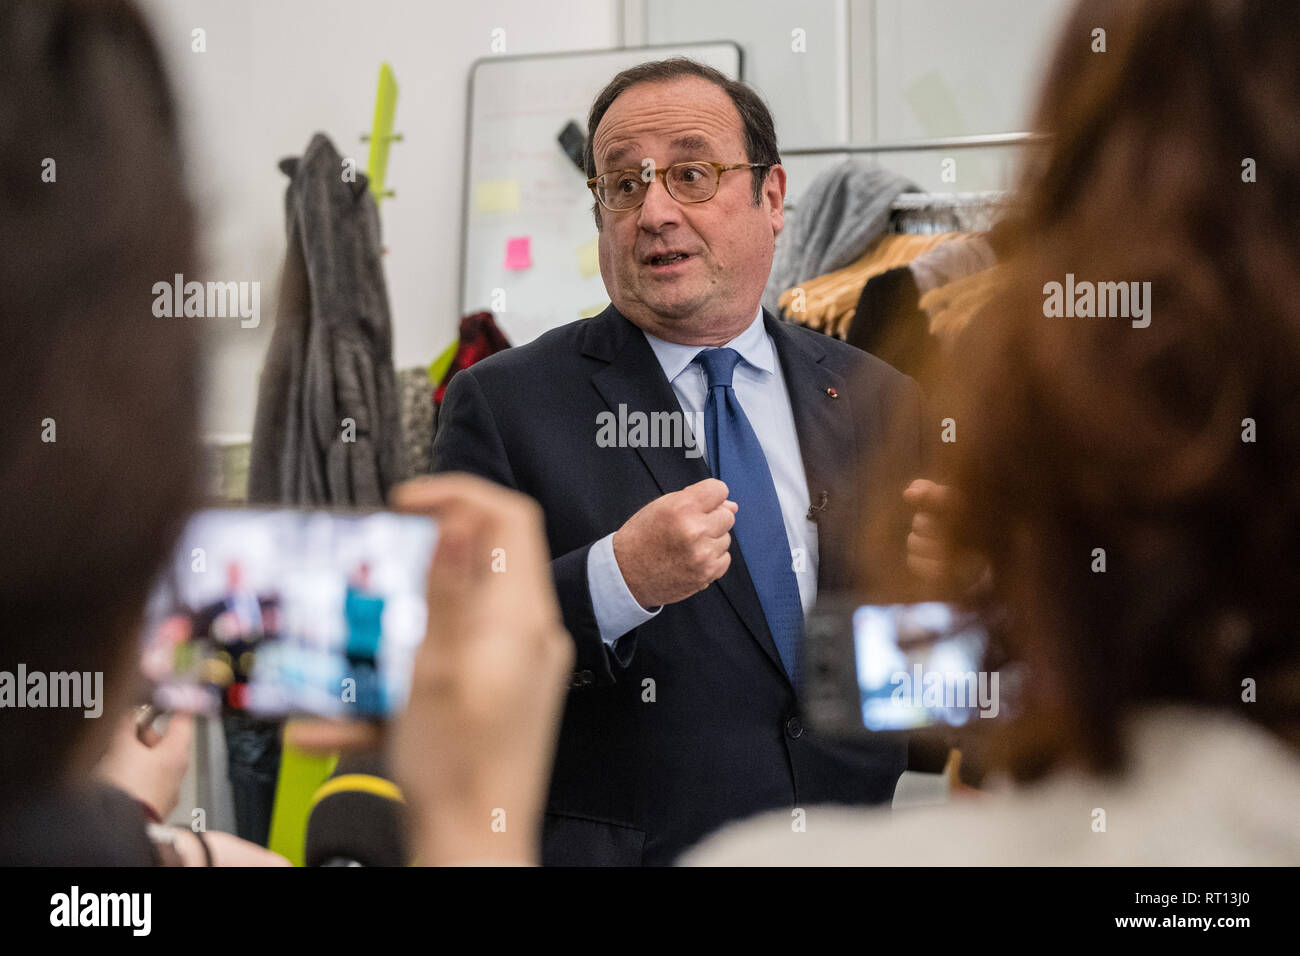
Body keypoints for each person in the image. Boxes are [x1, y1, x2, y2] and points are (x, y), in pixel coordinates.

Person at [430, 57, 937, 865]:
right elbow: (447, 661)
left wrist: (961, 592)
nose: (655, 211)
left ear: (772, 200)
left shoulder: (878, 397)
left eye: (691, 175)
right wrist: (616, 580)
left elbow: (918, 697)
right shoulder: (504, 404)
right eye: (623, 186)